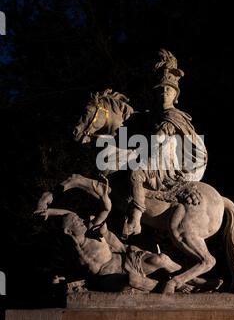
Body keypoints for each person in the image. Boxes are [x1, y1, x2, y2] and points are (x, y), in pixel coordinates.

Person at [34, 177, 181, 292]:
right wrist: (63, 278)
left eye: (79, 219)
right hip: (110, 277)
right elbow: (80, 270)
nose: (80, 220)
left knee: (161, 259)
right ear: (69, 231)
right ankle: (167, 287)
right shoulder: (73, 250)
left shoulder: (91, 228)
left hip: (125, 261)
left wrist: (49, 211)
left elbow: (99, 210)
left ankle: (185, 279)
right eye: (77, 222)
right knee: (132, 279)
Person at [124, 49, 208, 236]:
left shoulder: (172, 116)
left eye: (168, 90)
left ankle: (135, 219)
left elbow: (158, 141)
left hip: (168, 164)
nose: (164, 93)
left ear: (175, 95)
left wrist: (139, 150)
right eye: (160, 90)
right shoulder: (154, 116)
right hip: (157, 156)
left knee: (135, 174)